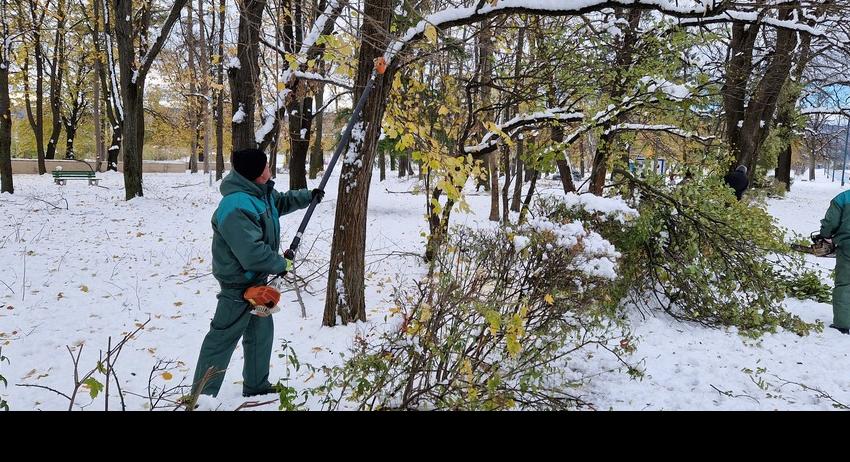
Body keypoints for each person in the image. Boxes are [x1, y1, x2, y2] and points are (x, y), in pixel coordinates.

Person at [191, 148, 324, 397]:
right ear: (256, 173)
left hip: (257, 283)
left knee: (261, 334)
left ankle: (256, 385)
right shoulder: (235, 206)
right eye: (266, 165)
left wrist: (309, 196)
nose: (270, 168)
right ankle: (201, 397)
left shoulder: (260, 194)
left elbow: (280, 202)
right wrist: (280, 264)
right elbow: (251, 253)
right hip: (237, 286)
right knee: (221, 340)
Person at [819, 189, 850, 335]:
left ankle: (843, 324)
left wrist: (825, 235)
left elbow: (830, 222)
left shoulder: (843, 198)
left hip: (847, 247)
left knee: (845, 283)